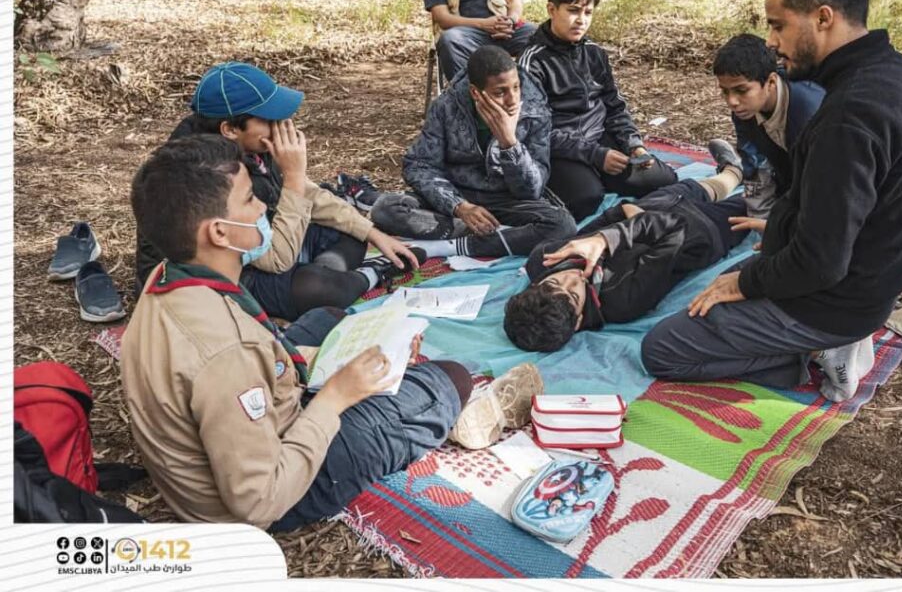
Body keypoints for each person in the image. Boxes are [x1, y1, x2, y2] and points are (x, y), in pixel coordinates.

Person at [121, 135, 472, 531]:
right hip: (275, 491)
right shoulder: (228, 353)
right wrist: (336, 396)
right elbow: (259, 501)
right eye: (250, 200)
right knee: (452, 379)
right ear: (219, 232)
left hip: (250, 416)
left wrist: (329, 360)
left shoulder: (171, 273)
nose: (261, 208)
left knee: (331, 318)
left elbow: (252, 359)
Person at [641, 0, 902, 402]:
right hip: (873, 280)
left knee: (663, 347)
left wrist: (747, 283)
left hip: (836, 300)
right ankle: (816, 338)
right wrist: (778, 234)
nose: (771, 41)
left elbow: (819, 264)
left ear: (823, 18)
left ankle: (816, 352)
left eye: (778, 25)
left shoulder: (848, 117)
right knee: (719, 285)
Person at [134, 62, 420, 321]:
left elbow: (307, 194)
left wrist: (372, 233)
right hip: (213, 277)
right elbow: (277, 259)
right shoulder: (214, 175)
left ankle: (315, 277)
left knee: (352, 234)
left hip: (254, 248)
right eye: (269, 118)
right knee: (322, 289)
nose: (282, 126)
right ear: (230, 129)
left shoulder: (245, 145)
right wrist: (293, 176)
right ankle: (369, 274)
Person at [370, 46, 577, 259]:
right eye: (500, 92)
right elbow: (419, 165)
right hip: (459, 194)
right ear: (475, 92)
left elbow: (531, 191)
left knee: (562, 226)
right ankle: (500, 236)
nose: (512, 99)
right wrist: (459, 206)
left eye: (516, 87)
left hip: (508, 200)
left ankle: (458, 245)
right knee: (386, 209)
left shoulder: (534, 109)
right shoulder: (446, 106)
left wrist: (509, 143)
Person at [504, 187, 748, 352]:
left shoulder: (543, 259)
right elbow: (675, 230)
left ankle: (732, 171)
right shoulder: (624, 300)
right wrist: (608, 237)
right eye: (574, 294)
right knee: (755, 201)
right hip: (700, 231)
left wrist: (620, 216)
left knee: (703, 186)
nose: (574, 278)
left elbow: (601, 222)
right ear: (578, 321)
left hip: (652, 207)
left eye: (555, 282)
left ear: (535, 284)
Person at [519, 0, 678, 221]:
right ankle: (575, 182)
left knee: (663, 179)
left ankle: (602, 177)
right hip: (558, 149)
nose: (581, 20)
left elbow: (615, 106)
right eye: (573, 10)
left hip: (599, 137)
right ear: (551, 9)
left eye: (588, 12)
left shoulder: (594, 53)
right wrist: (594, 155)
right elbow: (535, 131)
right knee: (586, 198)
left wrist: (633, 145)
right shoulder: (532, 61)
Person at [710, 33, 825, 220]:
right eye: (725, 92)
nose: (732, 101)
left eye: (741, 90)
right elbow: (753, 162)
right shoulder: (745, 110)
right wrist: (759, 217)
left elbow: (831, 180)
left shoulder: (810, 112)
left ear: (771, 82)